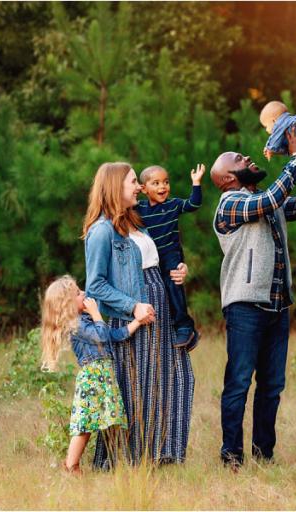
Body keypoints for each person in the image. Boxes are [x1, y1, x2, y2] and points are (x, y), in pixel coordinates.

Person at [210, 126, 296, 468]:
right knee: (238, 383)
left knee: (271, 386)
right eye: (238, 159)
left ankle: (264, 456)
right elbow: (270, 200)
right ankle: (231, 457)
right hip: (245, 307)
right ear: (227, 179)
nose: (246, 157)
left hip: (278, 307)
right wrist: (294, 158)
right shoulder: (230, 204)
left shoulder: (267, 200)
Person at [83, 162, 195, 469]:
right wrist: (133, 307)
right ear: (115, 186)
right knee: (135, 385)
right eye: (134, 182)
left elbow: (159, 257)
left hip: (161, 308)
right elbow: (95, 285)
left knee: (174, 378)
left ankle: (162, 453)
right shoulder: (102, 231)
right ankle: (125, 461)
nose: (139, 187)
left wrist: (178, 270)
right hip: (133, 315)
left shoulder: (139, 222)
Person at [40, 275, 143, 475]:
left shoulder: (85, 321)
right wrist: (96, 314)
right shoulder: (76, 325)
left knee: (111, 421)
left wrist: (137, 322)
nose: (84, 294)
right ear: (68, 305)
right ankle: (71, 465)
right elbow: (102, 335)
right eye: (78, 293)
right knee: (85, 426)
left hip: (103, 378)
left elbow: (113, 336)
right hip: (93, 379)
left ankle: (117, 462)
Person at [136, 163, 206, 350]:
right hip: (152, 259)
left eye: (166, 182)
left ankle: (184, 325)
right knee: (161, 294)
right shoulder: (139, 209)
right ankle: (185, 334)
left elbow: (193, 204)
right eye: (156, 183)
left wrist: (196, 183)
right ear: (143, 189)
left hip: (171, 255)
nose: (162, 187)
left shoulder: (172, 205)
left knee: (174, 285)